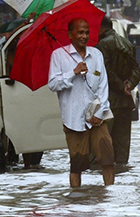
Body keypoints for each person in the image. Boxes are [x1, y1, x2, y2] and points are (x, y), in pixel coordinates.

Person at [48, 18, 115, 188]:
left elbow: (103, 85)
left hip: (98, 118)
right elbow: (53, 84)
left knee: (107, 160)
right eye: (80, 32)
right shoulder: (58, 56)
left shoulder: (96, 54)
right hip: (73, 118)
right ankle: (76, 201)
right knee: (77, 165)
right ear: (70, 34)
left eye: (86, 32)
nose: (84, 36)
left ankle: (110, 199)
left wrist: (99, 113)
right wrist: (73, 72)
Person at [96, 16, 140, 165]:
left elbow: (105, 71)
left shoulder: (102, 45)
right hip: (126, 102)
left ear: (102, 28)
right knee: (122, 145)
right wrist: (129, 85)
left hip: (109, 101)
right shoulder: (127, 43)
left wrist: (121, 88)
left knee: (105, 146)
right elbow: (136, 70)